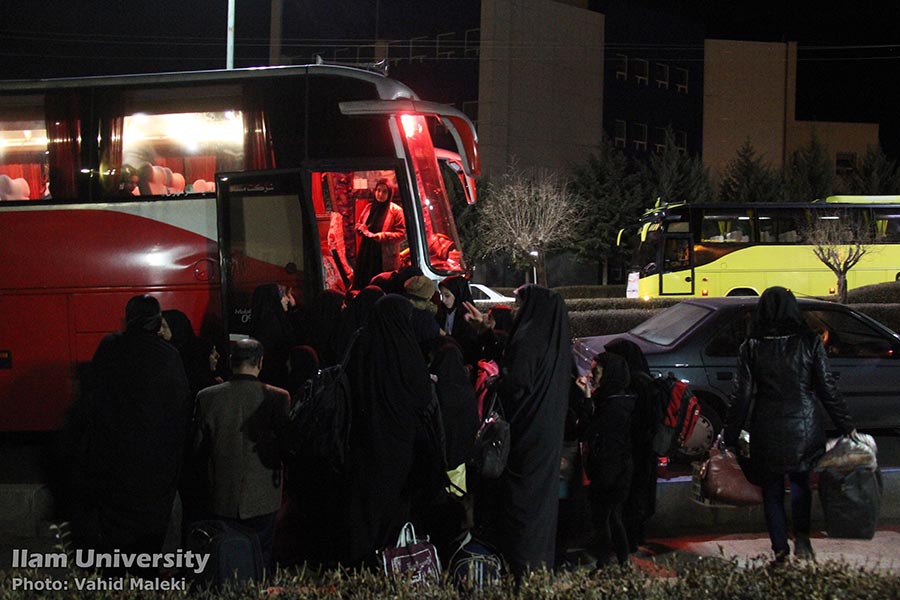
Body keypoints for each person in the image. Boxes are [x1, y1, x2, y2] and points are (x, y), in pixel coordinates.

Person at [725, 286, 856, 564]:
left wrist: (731, 434)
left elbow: (742, 394)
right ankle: (804, 539)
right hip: (805, 425)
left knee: (771, 490)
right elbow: (826, 387)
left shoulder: (751, 346)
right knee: (801, 483)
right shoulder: (810, 342)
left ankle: (780, 548)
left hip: (767, 426)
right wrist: (846, 425)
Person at [75, 295, 191, 574]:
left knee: (114, 544)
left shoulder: (110, 349)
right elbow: (180, 410)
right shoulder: (168, 356)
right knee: (148, 548)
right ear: (157, 322)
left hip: (113, 464)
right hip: (155, 469)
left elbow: (91, 402)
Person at [464, 284, 572, 578]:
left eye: (519, 304)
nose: (514, 310)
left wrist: (494, 383)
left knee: (521, 505)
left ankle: (523, 570)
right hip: (544, 436)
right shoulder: (551, 341)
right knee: (539, 507)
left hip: (527, 438)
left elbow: (517, 381)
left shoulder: (530, 339)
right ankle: (537, 570)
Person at [340, 294, 446, 567]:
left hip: (363, 443)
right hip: (400, 448)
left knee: (364, 509)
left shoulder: (362, 345)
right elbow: (422, 398)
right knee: (395, 509)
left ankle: (360, 564)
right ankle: (393, 563)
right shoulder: (406, 351)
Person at [192, 338, 291, 571]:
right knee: (261, 558)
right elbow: (287, 445)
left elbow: (198, 448)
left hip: (222, 495)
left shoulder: (207, 397)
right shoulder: (278, 397)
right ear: (260, 362)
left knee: (227, 559)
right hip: (264, 496)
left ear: (230, 361)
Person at [575, 352, 635, 568]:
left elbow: (587, 430)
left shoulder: (614, 404)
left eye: (596, 371)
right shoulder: (616, 399)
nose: (591, 376)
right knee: (611, 517)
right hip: (613, 467)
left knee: (606, 517)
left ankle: (608, 563)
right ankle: (620, 561)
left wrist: (588, 399)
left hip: (612, 469)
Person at [604, 337, 659, 553]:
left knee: (634, 493)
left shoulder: (635, 383)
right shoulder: (644, 378)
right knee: (640, 492)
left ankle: (630, 540)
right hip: (644, 447)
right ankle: (636, 536)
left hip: (636, 447)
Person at [352, 179, 406, 289]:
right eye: (378, 190)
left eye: (384, 191)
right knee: (364, 282)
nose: (380, 194)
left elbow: (401, 234)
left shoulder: (396, 211)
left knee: (381, 284)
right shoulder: (369, 208)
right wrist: (360, 229)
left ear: (390, 193)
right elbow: (359, 223)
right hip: (367, 251)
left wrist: (381, 236)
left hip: (384, 255)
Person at [250, 283, 296, 390]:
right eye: (283, 296)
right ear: (274, 300)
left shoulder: (262, 326)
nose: (287, 300)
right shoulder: (274, 328)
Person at [437, 275, 480, 366]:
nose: (443, 300)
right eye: (442, 295)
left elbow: (469, 344)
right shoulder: (441, 312)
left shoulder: (468, 316)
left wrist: (445, 336)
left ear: (458, 294)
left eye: (447, 296)